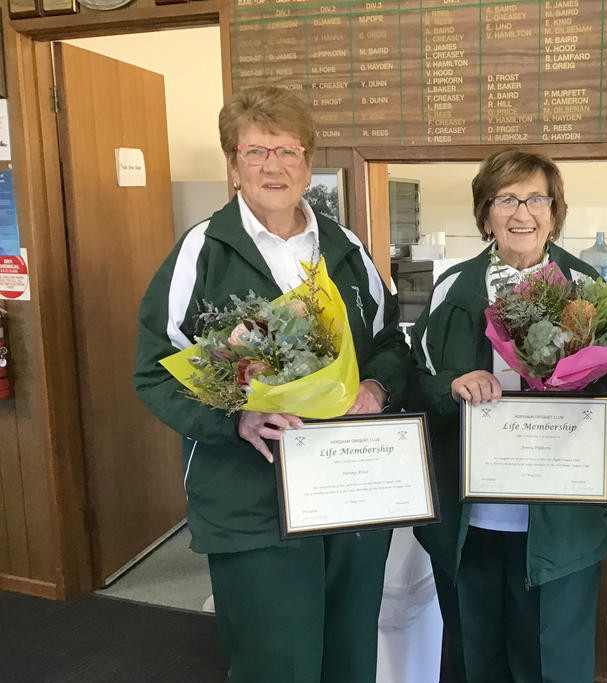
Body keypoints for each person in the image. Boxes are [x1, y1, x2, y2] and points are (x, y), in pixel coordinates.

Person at [133, 86, 409, 683]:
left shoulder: (347, 247)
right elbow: (155, 370)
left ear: (308, 162)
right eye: (255, 152)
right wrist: (236, 419)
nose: (273, 166)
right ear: (233, 165)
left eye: (286, 150)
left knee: (349, 656)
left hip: (348, 488)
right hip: (249, 498)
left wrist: (377, 390)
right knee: (274, 664)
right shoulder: (200, 252)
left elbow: (391, 344)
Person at [407, 148, 607, 683]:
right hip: (471, 521)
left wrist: (581, 410)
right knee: (473, 659)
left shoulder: (588, 288)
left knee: (551, 663)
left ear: (555, 211)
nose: (522, 213)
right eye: (506, 199)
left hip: (560, 518)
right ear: (485, 212)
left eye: (536, 198)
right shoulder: (452, 290)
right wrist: (450, 386)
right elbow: (414, 383)